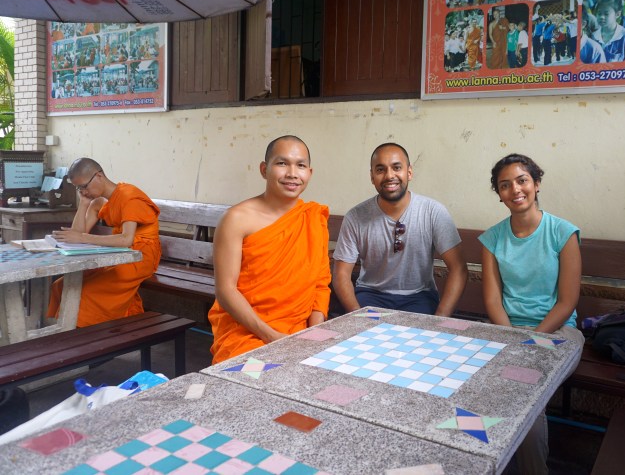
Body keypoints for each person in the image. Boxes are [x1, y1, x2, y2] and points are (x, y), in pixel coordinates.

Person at [479, 153, 584, 475]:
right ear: (499, 194)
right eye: (505, 185)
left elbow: (567, 301)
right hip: (505, 330)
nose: (515, 189)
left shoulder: (562, 233)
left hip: (557, 332)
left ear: (536, 184)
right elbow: (493, 300)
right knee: (471, 385)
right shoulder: (492, 239)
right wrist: (513, 338)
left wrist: (531, 340)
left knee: (524, 394)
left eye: (522, 180)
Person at [208, 136, 330, 364]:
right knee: (249, 386)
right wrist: (272, 337)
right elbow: (226, 291)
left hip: (300, 329)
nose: (292, 173)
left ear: (309, 173)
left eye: (300, 165)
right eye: (282, 163)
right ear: (264, 170)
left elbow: (320, 284)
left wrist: (313, 335)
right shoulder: (237, 219)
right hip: (247, 331)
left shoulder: (313, 218)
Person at [332, 143, 467, 316]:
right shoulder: (356, 217)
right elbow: (341, 274)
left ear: (409, 172)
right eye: (380, 170)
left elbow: (459, 268)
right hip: (371, 296)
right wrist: (356, 314)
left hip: (419, 298)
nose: (389, 176)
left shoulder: (433, 212)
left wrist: (439, 320)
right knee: (366, 338)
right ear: (372, 176)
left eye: (397, 167)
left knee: (419, 340)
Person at [47, 158, 161, 327]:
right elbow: (78, 235)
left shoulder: (130, 197)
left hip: (140, 256)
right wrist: (84, 204)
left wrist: (83, 238)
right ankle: (71, 337)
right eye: (79, 188)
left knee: (85, 294)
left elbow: (126, 239)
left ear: (98, 176)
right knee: (61, 285)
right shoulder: (99, 202)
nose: (83, 191)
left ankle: (87, 343)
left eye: (84, 186)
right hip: (116, 253)